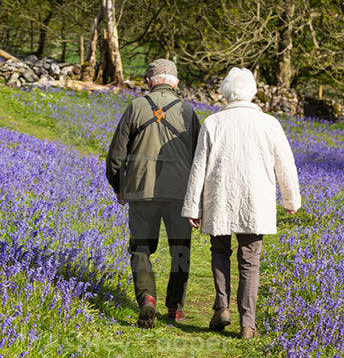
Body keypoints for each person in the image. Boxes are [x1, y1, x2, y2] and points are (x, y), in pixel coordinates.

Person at [181, 67, 301, 339]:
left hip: (219, 197)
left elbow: (198, 167)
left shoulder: (213, 123)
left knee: (220, 251)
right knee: (250, 261)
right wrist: (290, 199)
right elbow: (285, 164)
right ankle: (248, 324)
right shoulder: (269, 123)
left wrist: (193, 205)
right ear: (252, 92)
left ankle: (222, 307)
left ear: (225, 93)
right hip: (254, 201)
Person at [106, 59, 201, 329]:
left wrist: (119, 186)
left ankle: (147, 297)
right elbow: (199, 158)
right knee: (180, 249)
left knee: (141, 248)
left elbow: (115, 156)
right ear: (175, 83)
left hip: (140, 191)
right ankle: (175, 308)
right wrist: (199, 196)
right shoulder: (187, 111)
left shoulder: (135, 107)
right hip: (179, 193)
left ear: (149, 82)